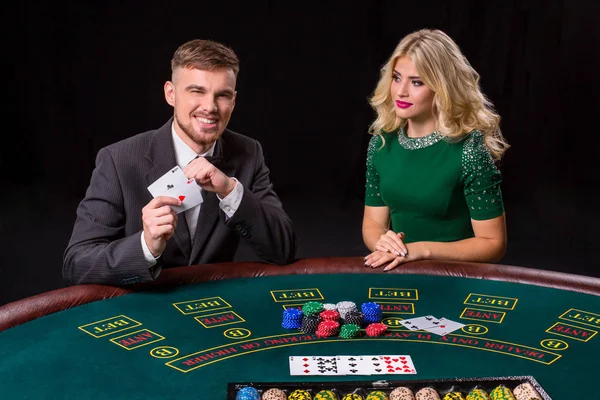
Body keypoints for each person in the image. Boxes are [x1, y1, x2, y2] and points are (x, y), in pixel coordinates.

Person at [63, 39, 296, 285]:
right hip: (141, 307)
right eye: (197, 91)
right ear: (170, 94)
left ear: (234, 100)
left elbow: (282, 250)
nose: (210, 107)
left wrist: (230, 191)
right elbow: (76, 264)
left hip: (215, 306)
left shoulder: (249, 152)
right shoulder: (118, 159)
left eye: (223, 95)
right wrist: (147, 246)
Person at [362, 29, 510, 271]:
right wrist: (382, 240)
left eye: (417, 82)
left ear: (442, 88)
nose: (401, 91)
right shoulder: (381, 144)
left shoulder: (469, 150)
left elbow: (493, 244)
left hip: (455, 278)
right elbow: (372, 223)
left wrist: (420, 250)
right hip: (399, 272)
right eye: (397, 78)